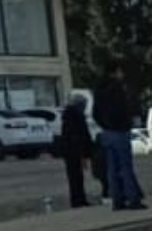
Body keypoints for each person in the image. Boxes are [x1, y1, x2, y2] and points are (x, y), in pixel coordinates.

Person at [92, 67, 146, 211]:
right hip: (120, 130)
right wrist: (125, 123)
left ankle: (117, 200)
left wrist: (105, 124)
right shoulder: (117, 89)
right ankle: (132, 198)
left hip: (107, 132)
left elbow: (95, 113)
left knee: (112, 168)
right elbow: (124, 108)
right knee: (125, 167)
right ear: (115, 72)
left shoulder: (99, 89)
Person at [55, 95, 95, 208]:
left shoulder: (68, 116)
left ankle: (78, 199)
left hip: (70, 150)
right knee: (76, 177)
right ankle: (78, 200)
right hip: (74, 150)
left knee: (75, 177)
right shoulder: (76, 116)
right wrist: (86, 151)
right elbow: (81, 134)